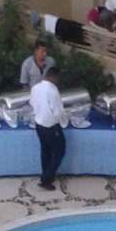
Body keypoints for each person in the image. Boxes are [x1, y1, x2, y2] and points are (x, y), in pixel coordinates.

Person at [30, 63, 67, 191]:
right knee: (59, 151)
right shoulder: (53, 90)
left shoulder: (35, 88)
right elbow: (58, 111)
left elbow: (32, 103)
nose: (58, 82)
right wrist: (64, 123)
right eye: (58, 79)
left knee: (45, 151)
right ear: (54, 77)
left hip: (39, 125)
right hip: (51, 126)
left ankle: (46, 174)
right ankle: (46, 179)